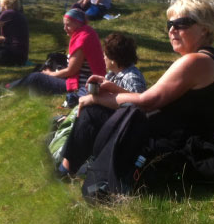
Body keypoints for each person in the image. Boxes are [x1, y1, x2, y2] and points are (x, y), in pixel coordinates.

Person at [59, 0, 214, 177]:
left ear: (205, 29)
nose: (172, 30)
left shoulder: (195, 61)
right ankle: (72, 166)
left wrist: (97, 98)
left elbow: (147, 102)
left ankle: (64, 171)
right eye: (170, 25)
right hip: (181, 139)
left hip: (177, 147)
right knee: (105, 113)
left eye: (181, 24)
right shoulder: (207, 58)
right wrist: (114, 89)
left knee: (94, 113)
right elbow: (154, 103)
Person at [48, 32, 146, 168]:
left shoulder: (131, 77)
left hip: (122, 127)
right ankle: (63, 146)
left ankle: (66, 164)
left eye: (105, 54)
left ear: (113, 59)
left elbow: (138, 106)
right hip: (111, 119)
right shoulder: (113, 74)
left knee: (88, 112)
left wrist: (108, 92)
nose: (103, 57)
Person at [7, 8, 105, 101]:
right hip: (86, 79)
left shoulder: (82, 39)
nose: (64, 28)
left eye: (68, 25)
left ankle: (9, 88)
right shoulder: (87, 33)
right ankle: (24, 91)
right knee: (41, 67)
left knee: (36, 77)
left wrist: (51, 74)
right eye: (64, 25)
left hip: (82, 85)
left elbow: (71, 70)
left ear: (78, 24)